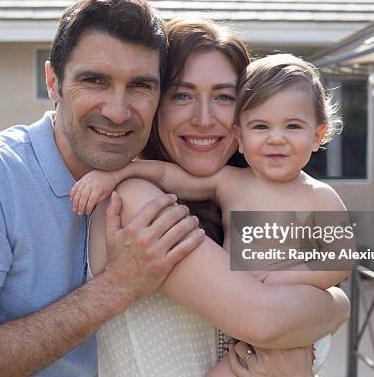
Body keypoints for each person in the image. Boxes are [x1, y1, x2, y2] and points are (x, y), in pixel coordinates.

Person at [0, 0, 347, 377]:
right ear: (53, 82)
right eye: (95, 80)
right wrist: (118, 286)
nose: (116, 109)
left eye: (141, 86)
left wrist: (331, 307)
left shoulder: (210, 192)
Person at [76, 20, 351, 376]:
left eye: (224, 96)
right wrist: (335, 307)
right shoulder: (135, 201)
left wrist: (330, 308)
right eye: (182, 95)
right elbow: (263, 319)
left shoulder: (240, 198)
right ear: (156, 102)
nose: (203, 119)